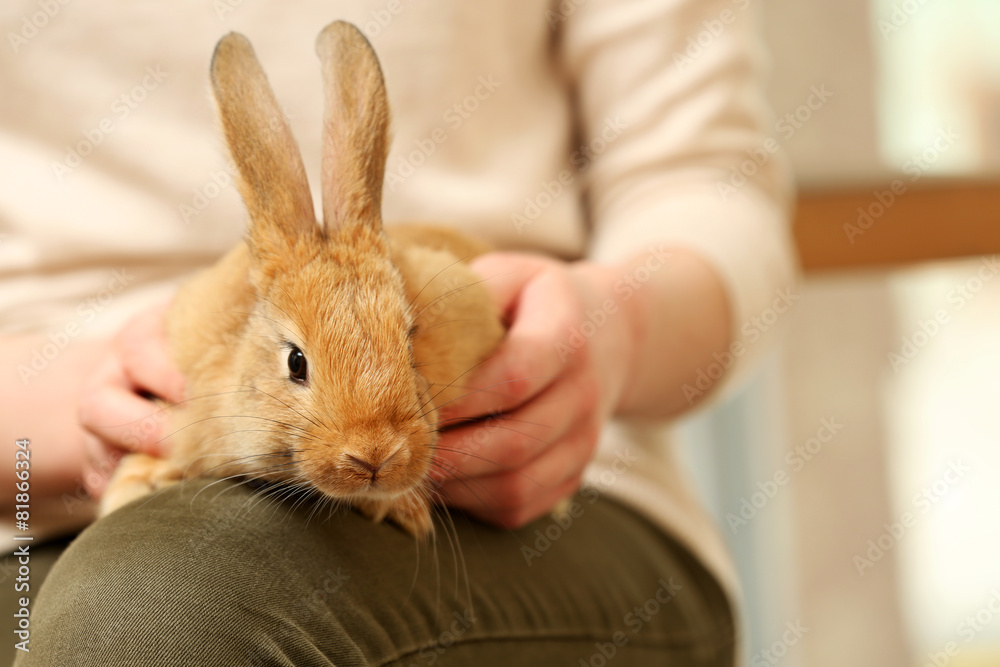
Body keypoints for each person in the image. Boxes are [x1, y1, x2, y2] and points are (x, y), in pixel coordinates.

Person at [1, 0, 796, 664]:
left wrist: (614, 329)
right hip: (28, 495)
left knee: (156, 614)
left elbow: (705, 177)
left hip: (539, 489)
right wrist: (82, 421)